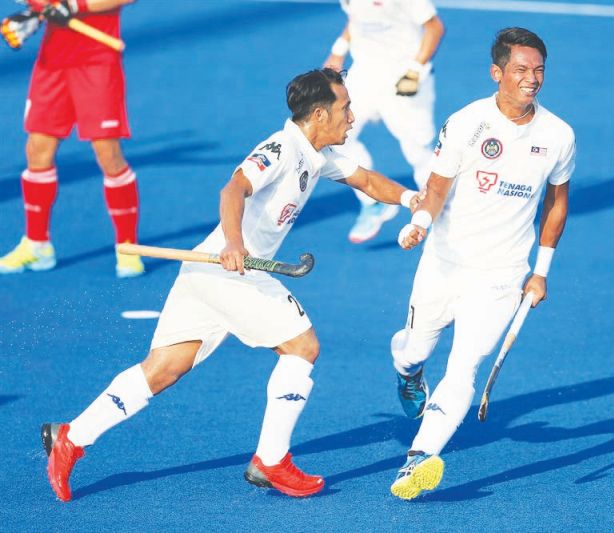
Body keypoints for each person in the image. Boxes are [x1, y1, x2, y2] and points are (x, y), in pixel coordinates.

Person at [41, 68, 420, 501]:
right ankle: (271, 461)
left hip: (207, 278)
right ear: (319, 114)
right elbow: (232, 190)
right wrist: (235, 244)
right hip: (233, 272)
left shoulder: (320, 154)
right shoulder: (279, 149)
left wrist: (413, 200)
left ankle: (72, 436)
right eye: (345, 108)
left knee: (163, 369)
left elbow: (368, 182)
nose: (352, 117)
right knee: (303, 347)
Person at [388, 27, 576, 500]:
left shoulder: (558, 135)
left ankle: (418, 459)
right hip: (444, 264)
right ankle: (409, 371)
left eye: (538, 71)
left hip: (502, 275)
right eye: (520, 70)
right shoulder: (467, 122)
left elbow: (557, 204)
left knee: (464, 368)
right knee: (413, 349)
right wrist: (422, 224)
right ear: (497, 73)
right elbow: (437, 186)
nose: (531, 79)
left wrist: (542, 270)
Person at [0, 0, 144, 278]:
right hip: (52, 62)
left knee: (107, 153)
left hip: (97, 63)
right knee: (37, 149)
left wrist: (74, 5)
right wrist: (35, 12)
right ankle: (37, 244)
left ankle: (128, 247)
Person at [323, 0, 444, 244]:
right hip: (365, 75)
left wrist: (414, 70)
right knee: (333, 136)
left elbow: (435, 28)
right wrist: (338, 51)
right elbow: (356, 18)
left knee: (417, 151)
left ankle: (436, 213)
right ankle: (374, 202)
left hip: (403, 77)